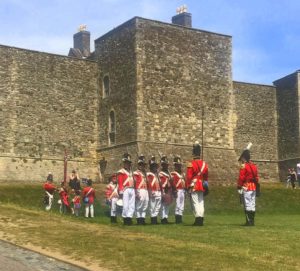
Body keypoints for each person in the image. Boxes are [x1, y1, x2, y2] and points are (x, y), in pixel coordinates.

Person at [186, 142, 208, 226]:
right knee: (201, 202)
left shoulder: (191, 163)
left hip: (194, 185)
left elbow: (189, 176)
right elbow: (206, 176)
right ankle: (201, 218)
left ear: (193, 153)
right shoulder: (204, 164)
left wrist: (188, 186)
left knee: (195, 202)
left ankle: (198, 219)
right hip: (201, 185)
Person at [237, 148, 259, 226]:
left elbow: (241, 177)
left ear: (244, 158)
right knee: (252, 204)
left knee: (247, 204)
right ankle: (252, 221)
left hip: (246, 186)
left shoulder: (244, 166)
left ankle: (249, 221)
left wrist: (239, 186)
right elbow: (256, 177)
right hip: (253, 186)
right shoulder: (254, 166)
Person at [117, 153, 135, 225]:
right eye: (127, 163)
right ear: (124, 163)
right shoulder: (121, 171)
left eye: (129, 163)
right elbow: (120, 182)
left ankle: (129, 218)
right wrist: (121, 192)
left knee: (132, 205)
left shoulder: (131, 172)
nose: (128, 164)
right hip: (125, 189)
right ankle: (125, 219)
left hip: (132, 189)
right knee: (126, 205)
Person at [134, 155, 149, 225]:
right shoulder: (136, 173)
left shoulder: (145, 173)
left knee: (145, 205)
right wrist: (136, 192)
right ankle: (138, 219)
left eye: (143, 165)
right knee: (139, 205)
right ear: (138, 165)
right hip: (139, 190)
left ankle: (143, 219)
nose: (142, 166)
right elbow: (134, 183)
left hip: (145, 190)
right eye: (141, 165)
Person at [147, 156, 162, 225]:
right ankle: (153, 219)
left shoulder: (157, 175)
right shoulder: (149, 174)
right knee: (152, 206)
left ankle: (155, 217)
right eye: (153, 167)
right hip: (153, 191)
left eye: (156, 167)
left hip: (158, 191)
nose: (155, 168)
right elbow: (149, 183)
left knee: (158, 206)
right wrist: (150, 191)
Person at [171, 156, 186, 224]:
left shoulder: (182, 174)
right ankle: (177, 219)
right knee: (178, 204)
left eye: (179, 165)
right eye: (177, 165)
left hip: (182, 190)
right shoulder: (173, 174)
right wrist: (174, 191)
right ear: (175, 166)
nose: (179, 167)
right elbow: (173, 183)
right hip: (177, 190)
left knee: (182, 205)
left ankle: (180, 217)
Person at [159, 155, 173, 224]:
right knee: (163, 205)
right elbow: (161, 183)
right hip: (164, 190)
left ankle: (166, 217)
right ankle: (162, 218)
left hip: (169, 190)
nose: (166, 166)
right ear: (162, 165)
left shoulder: (169, 172)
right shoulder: (160, 173)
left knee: (167, 205)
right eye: (165, 165)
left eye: (167, 165)